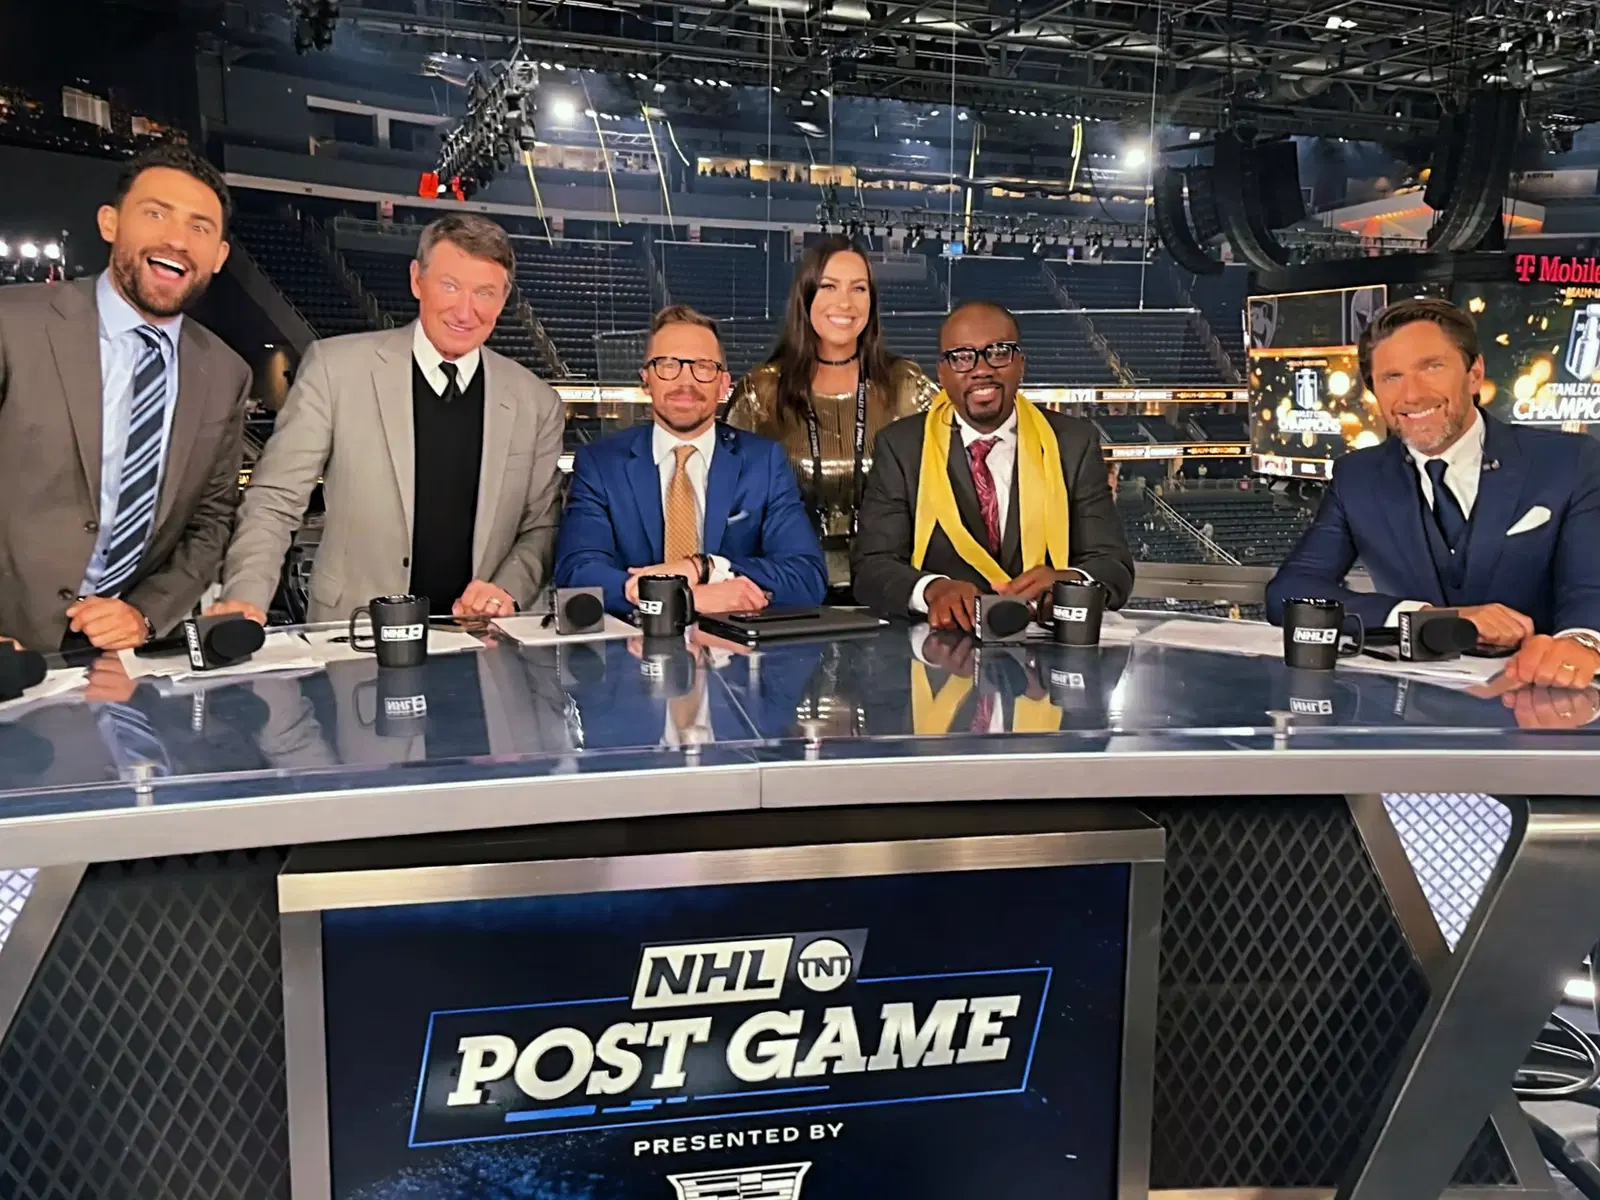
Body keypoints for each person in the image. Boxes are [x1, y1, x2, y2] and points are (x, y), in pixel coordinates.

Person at [212, 214, 565, 624]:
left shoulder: (537, 401)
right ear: (417, 280)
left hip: (481, 635)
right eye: (450, 286)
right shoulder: (335, 368)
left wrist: (505, 590)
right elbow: (275, 499)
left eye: (484, 293)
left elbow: (542, 527)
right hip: (354, 627)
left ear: (503, 299)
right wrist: (246, 597)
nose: (465, 311)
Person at [1267, 297, 1600, 688]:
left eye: (1431, 367)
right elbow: (1289, 593)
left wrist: (1580, 642)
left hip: (1537, 700)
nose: (1411, 394)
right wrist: (1427, 619)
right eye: (1391, 377)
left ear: (1474, 374)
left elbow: (1591, 587)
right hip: (1409, 707)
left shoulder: (1569, 460)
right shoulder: (1357, 476)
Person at [0, 144, 251, 652]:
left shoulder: (227, 373)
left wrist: (145, 614)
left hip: (118, 659)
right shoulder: (12, 325)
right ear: (110, 222)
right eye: (156, 214)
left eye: (200, 227)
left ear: (220, 256)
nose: (176, 240)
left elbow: (211, 522)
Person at [851, 301, 1135, 629]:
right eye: (962, 357)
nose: (982, 369)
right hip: (941, 647)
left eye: (998, 352)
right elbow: (872, 567)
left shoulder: (1073, 443)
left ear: (1021, 364)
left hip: (1042, 644)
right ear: (942, 373)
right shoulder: (901, 447)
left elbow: (1113, 566)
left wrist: (1069, 584)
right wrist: (932, 589)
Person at [554, 305, 827, 617]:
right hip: (634, 642)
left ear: (723, 384)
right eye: (668, 365)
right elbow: (577, 572)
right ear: (646, 380)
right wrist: (682, 599)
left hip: (732, 643)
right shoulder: (601, 465)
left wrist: (705, 567)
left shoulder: (763, 462)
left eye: (703, 366)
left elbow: (806, 578)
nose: (686, 381)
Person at [727, 234, 936, 593]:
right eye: (829, 286)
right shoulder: (760, 392)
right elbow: (732, 508)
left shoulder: (907, 387)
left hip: (890, 587)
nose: (845, 303)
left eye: (859, 289)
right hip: (788, 587)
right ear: (806, 295)